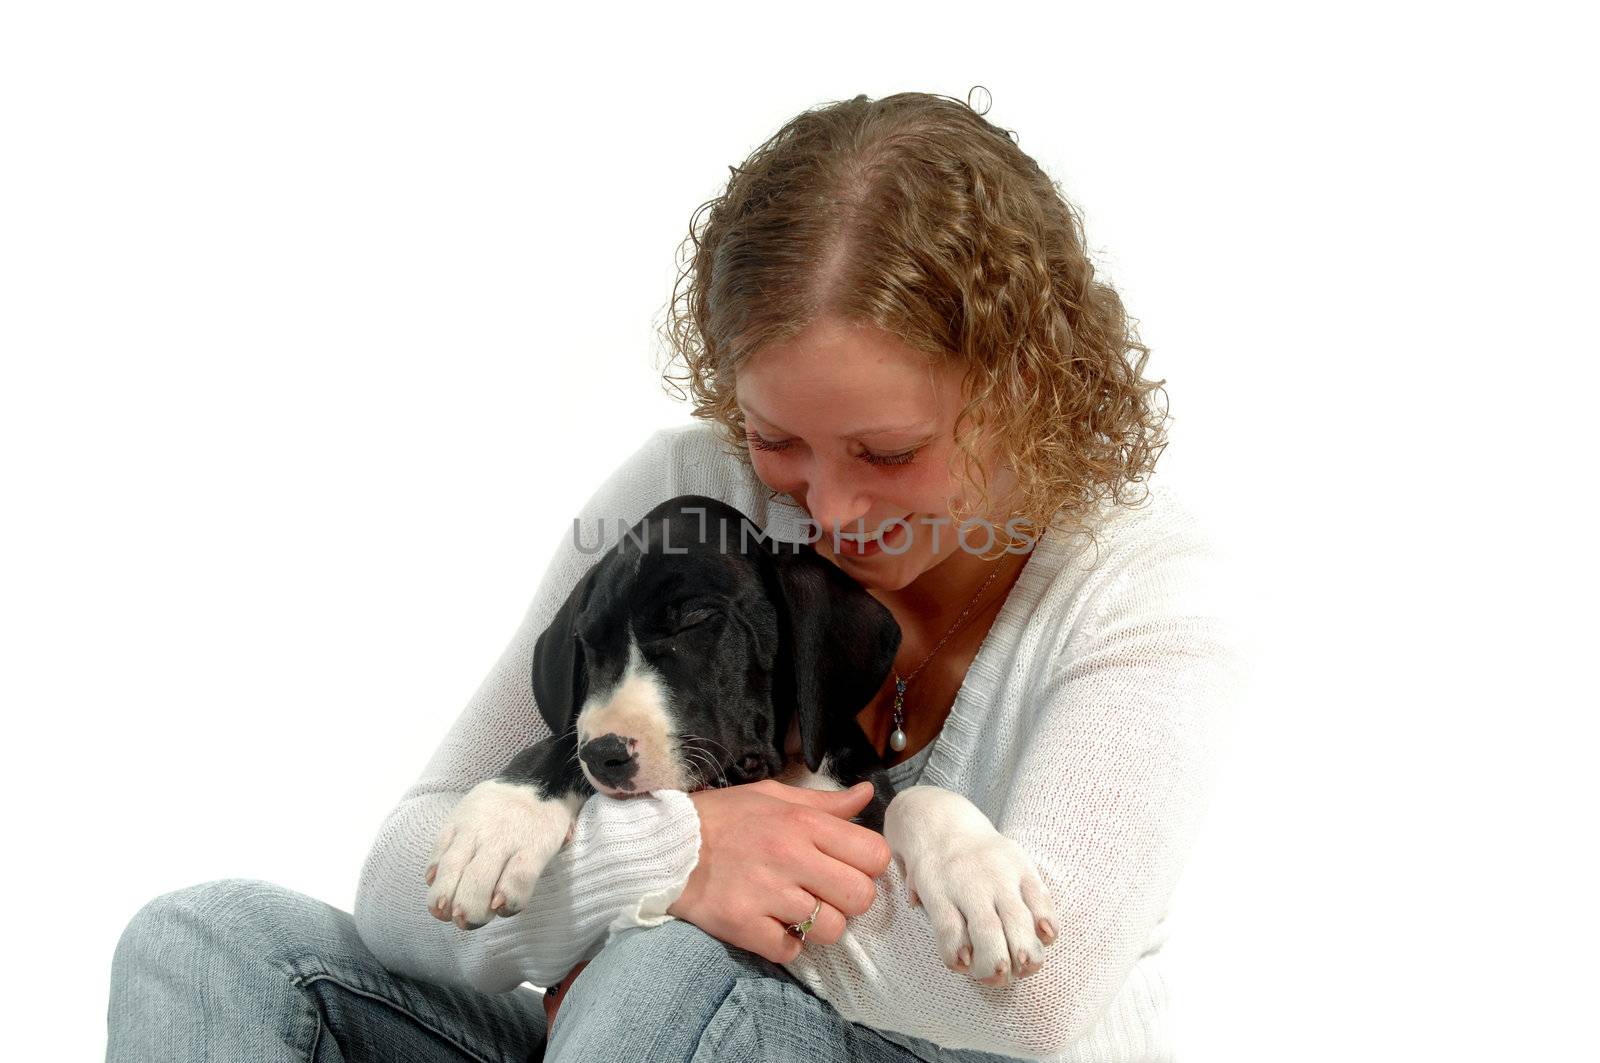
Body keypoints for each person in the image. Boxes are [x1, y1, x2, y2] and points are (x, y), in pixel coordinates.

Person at [106, 88, 1246, 1062]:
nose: (831, 509)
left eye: (889, 453)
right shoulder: (677, 500)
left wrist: (657, 917)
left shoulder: (1138, 582)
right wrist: (668, 858)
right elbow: (411, 874)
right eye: (777, 443)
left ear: (1025, 391)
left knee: (660, 971)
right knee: (206, 942)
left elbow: (1033, 992)